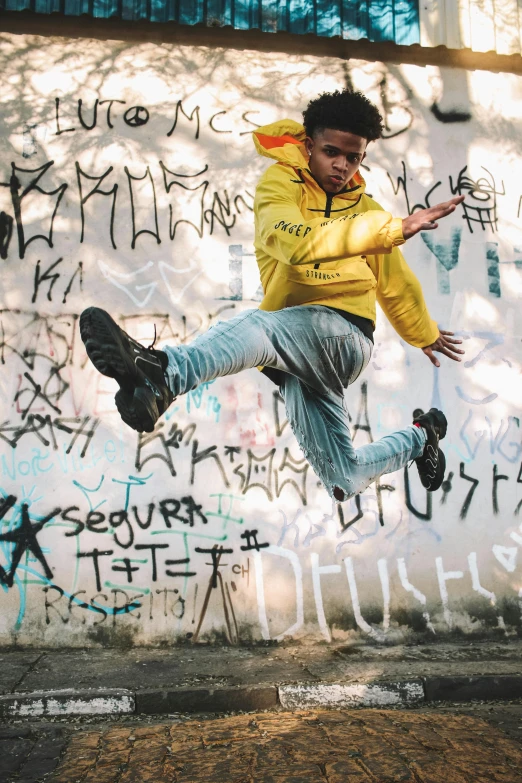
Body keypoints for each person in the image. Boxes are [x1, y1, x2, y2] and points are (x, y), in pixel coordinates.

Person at [80, 89, 464, 503]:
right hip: (298, 357)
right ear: (307, 145)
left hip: (344, 336)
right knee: (344, 477)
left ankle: (163, 373)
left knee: (262, 330)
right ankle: (422, 438)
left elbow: (396, 283)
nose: (342, 166)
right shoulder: (280, 187)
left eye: (353, 159)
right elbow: (293, 243)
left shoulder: (369, 212)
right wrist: (391, 229)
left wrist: (422, 332)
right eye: (332, 152)